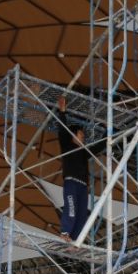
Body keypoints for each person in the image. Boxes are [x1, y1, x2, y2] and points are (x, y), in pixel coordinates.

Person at [55, 96, 106, 242]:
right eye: (81, 136)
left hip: (83, 186)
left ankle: (75, 239)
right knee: (71, 210)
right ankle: (65, 233)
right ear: (73, 136)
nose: (83, 139)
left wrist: (108, 134)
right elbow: (62, 129)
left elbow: (97, 147)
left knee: (82, 215)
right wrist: (62, 112)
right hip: (71, 182)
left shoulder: (84, 152)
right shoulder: (67, 145)